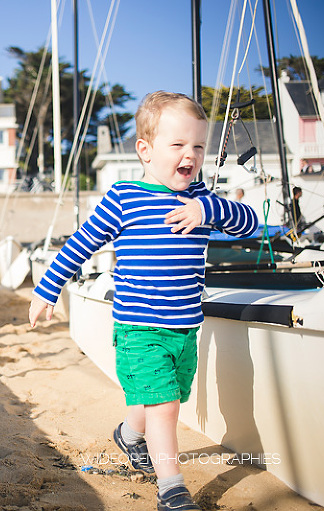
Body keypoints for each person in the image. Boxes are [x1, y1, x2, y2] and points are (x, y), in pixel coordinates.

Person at [29, 91, 258, 511]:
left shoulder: (201, 198)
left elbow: (251, 226)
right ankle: (171, 488)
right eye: (178, 144)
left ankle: (129, 435)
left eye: (198, 146)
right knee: (165, 406)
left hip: (185, 328)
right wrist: (47, 288)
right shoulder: (124, 198)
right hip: (139, 328)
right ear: (146, 150)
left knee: (160, 397)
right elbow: (81, 244)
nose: (190, 154)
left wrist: (207, 211)